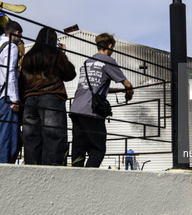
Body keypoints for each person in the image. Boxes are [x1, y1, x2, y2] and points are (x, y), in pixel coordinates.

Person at [70, 33, 134, 168]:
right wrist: (129, 91)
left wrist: (119, 91)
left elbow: (96, 87)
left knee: (79, 150)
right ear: (110, 46)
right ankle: (88, 179)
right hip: (91, 112)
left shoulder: (87, 62)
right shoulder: (107, 60)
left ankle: (76, 180)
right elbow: (127, 84)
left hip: (76, 109)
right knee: (98, 149)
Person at [21, 27, 76, 165]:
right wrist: (63, 53)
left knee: (31, 138)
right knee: (54, 137)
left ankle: (32, 171)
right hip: (51, 97)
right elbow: (70, 74)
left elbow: (22, 79)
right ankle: (52, 174)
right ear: (53, 40)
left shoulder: (28, 57)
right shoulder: (55, 55)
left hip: (29, 100)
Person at [0, 21, 22, 163]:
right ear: (16, 33)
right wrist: (14, 98)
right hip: (5, 95)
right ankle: (2, 168)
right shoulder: (11, 47)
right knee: (6, 134)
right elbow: (10, 73)